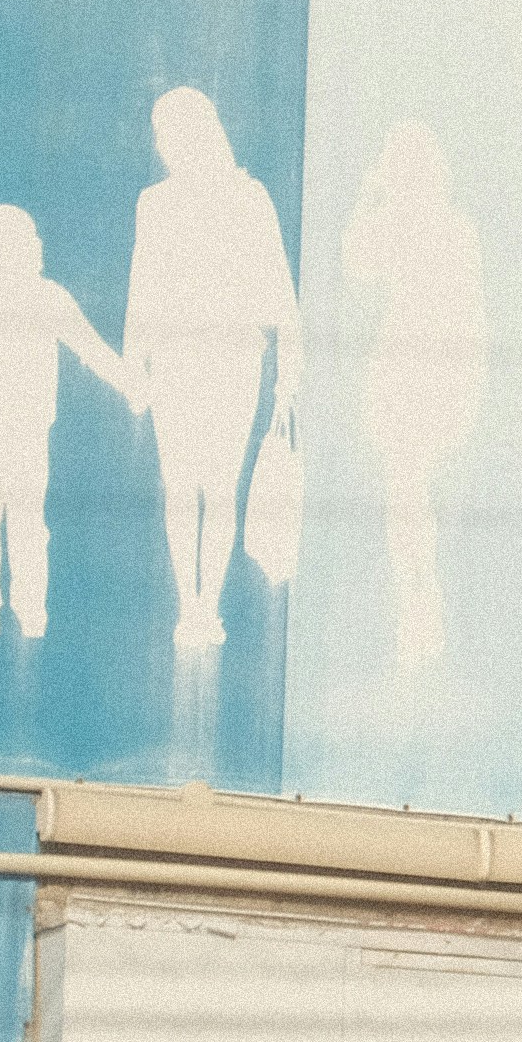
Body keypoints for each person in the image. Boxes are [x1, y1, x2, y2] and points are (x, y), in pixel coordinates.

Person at [119, 86, 299, 654]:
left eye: (167, 133)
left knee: (215, 486)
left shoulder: (249, 196)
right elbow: (141, 288)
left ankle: (206, 607)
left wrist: (288, 376)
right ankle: (189, 606)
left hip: (233, 357)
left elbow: (279, 293)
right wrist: (134, 365)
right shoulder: (155, 202)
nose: (161, 144)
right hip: (180, 358)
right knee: (183, 484)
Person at [0, 205, 131, 643]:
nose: (39, 245)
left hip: (25, 433)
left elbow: (90, 346)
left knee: (22, 522)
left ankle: (29, 611)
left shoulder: (47, 297)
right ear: (0, 251)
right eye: (29, 239)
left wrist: (131, 384)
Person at [348, 122, 489, 675]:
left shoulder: (455, 229)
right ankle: (416, 612)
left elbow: (473, 312)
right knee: (407, 495)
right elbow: (356, 267)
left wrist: (471, 383)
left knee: (421, 498)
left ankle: (427, 608)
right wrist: (369, 196)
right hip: (402, 373)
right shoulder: (397, 226)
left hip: (440, 372)